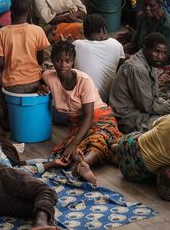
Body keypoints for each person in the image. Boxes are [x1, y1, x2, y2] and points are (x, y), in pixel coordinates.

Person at [38, 41, 122, 185]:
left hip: (100, 116)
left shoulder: (84, 81)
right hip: (78, 123)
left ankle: (83, 164)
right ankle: (80, 160)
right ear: (52, 61)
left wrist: (74, 144)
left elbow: (89, 117)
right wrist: (39, 86)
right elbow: (38, 76)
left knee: (99, 137)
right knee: (69, 152)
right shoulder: (50, 77)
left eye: (68, 61)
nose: (63, 64)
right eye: (58, 60)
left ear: (73, 62)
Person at [0, 134, 68, 229]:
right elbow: (9, 169)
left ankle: (42, 226)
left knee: (39, 207)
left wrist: (51, 164)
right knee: (45, 191)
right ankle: (40, 224)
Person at [109, 32, 170, 133]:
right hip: (125, 116)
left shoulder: (151, 62)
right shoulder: (137, 68)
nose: (160, 56)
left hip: (141, 108)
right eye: (156, 51)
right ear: (145, 49)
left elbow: (155, 95)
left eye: (164, 53)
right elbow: (148, 106)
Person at [0, 0, 50, 127]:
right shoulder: (37, 31)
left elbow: (0, 64)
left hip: (12, 86)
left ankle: (5, 114)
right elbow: (40, 60)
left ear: (11, 9)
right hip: (34, 83)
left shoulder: (3, 32)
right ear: (30, 9)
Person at [122, 0, 170, 86]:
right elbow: (133, 44)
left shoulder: (169, 27)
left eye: (151, 5)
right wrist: (118, 52)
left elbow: (161, 59)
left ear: (161, 4)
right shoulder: (143, 18)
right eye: (144, 5)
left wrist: (132, 59)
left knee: (140, 82)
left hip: (165, 64)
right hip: (145, 57)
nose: (147, 9)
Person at [73, 14, 125, 102]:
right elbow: (120, 69)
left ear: (84, 32)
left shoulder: (76, 45)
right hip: (107, 99)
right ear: (104, 30)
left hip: (82, 99)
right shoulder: (117, 45)